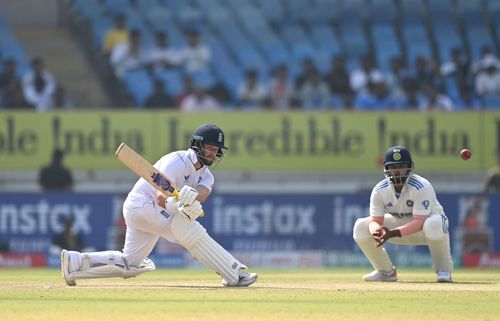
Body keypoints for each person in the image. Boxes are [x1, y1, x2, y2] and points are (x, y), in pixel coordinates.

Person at [61, 124, 257, 287]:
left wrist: (192, 198)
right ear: (197, 144)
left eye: (216, 150)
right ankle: (233, 273)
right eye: (210, 147)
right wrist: (177, 204)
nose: (213, 153)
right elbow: (159, 196)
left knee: (130, 264)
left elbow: (203, 193)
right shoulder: (177, 161)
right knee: (187, 229)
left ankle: (74, 263)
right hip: (142, 205)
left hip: (146, 214)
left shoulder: (206, 174)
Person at [353, 146, 453, 283]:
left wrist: (392, 233)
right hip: (400, 227)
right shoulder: (379, 190)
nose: (397, 170)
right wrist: (377, 230)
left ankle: (443, 271)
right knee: (360, 226)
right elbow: (375, 220)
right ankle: (386, 272)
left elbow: (419, 221)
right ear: (386, 169)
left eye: (401, 166)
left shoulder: (421, 186)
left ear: (409, 167)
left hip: (427, 229)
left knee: (433, 223)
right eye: (393, 167)